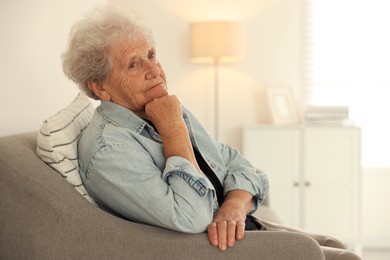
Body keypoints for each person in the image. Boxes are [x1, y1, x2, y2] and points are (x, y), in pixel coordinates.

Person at [62, 5, 360, 260]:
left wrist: (234, 205)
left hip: (238, 226)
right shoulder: (108, 149)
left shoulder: (159, 107)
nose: (154, 70)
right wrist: (173, 129)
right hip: (209, 249)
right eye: (133, 64)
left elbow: (236, 162)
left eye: (151, 55)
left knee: (337, 246)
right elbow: (192, 217)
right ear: (100, 87)